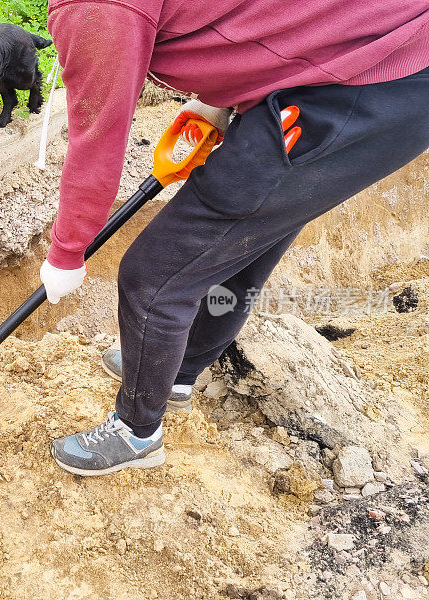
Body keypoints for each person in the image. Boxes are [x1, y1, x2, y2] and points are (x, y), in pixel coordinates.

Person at [39, 0, 429, 476]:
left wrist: (66, 252)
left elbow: (99, 134)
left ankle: (137, 433)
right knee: (245, 236)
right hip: (374, 61)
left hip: (364, 82)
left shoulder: (97, 9)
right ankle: (177, 375)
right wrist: (224, 95)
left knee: (154, 277)